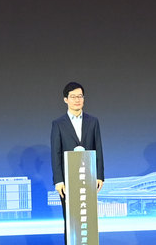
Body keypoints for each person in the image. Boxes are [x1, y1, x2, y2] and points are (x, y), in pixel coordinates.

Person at [50, 82, 104, 239]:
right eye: (73, 97)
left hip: (88, 178)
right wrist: (58, 180)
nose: (77, 100)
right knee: (71, 220)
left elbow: (98, 148)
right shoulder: (58, 124)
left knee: (88, 219)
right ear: (65, 100)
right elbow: (55, 153)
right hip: (68, 181)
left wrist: (99, 175)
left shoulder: (93, 121)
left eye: (80, 96)